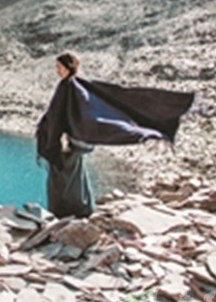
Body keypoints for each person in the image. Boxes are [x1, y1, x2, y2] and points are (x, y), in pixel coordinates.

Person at [36, 51, 194, 218]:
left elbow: (61, 114)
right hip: (77, 137)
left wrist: (54, 136)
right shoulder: (79, 83)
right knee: (73, 170)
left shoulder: (68, 85)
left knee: (62, 173)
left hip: (73, 139)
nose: (57, 71)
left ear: (69, 67)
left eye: (60, 67)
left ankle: (66, 211)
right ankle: (82, 208)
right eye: (56, 67)